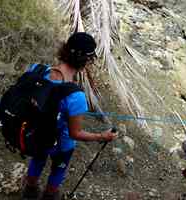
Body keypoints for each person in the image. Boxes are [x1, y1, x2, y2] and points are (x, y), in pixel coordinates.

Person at [21, 32, 118, 200]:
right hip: (62, 144)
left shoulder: (36, 69)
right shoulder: (76, 96)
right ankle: (49, 195)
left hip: (36, 135)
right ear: (86, 61)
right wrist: (102, 136)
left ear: (65, 49)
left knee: (37, 161)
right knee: (58, 170)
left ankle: (30, 191)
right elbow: (75, 133)